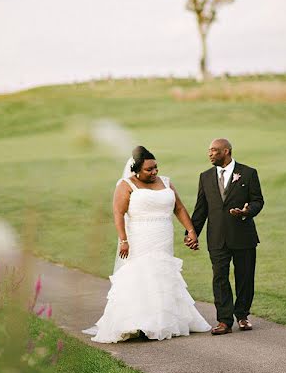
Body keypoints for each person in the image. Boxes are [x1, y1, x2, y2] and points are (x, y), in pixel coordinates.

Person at [84, 146, 211, 343]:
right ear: (136, 170)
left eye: (156, 168)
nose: (154, 172)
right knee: (142, 276)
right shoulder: (125, 185)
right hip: (140, 237)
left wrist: (191, 230)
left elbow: (179, 208)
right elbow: (118, 213)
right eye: (149, 169)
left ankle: (163, 321)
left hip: (163, 235)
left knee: (162, 275)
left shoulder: (166, 182)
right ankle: (140, 323)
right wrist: (123, 240)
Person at [188, 138, 264, 335]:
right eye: (209, 151)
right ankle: (224, 321)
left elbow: (258, 201)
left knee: (245, 277)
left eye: (214, 150)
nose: (210, 154)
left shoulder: (248, 173)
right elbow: (201, 210)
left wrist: (247, 211)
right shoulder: (205, 177)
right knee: (219, 278)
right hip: (217, 237)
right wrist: (192, 233)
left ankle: (242, 316)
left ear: (226, 151)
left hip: (243, 235)